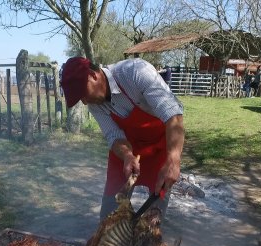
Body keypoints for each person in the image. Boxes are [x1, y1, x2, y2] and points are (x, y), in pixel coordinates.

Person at [61, 57, 185, 220]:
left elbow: (173, 116)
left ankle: (147, 240)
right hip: (126, 150)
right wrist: (127, 156)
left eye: (83, 93)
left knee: (153, 218)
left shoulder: (136, 71)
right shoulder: (94, 104)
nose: (84, 102)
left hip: (160, 147)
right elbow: (114, 135)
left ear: (93, 75)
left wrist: (173, 160)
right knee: (109, 215)